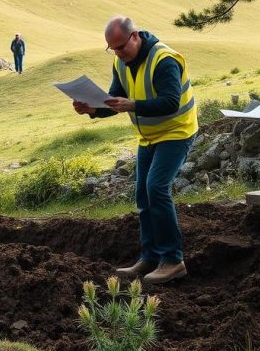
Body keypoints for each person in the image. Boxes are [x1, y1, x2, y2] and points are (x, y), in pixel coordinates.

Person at [72, 16, 197, 284]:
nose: (118, 53)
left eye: (121, 46)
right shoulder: (120, 62)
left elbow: (170, 102)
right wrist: (93, 109)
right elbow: (114, 101)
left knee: (156, 188)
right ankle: (150, 257)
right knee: (142, 193)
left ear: (136, 36)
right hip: (149, 137)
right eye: (112, 48)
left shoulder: (164, 60)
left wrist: (133, 105)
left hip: (177, 131)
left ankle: (173, 261)